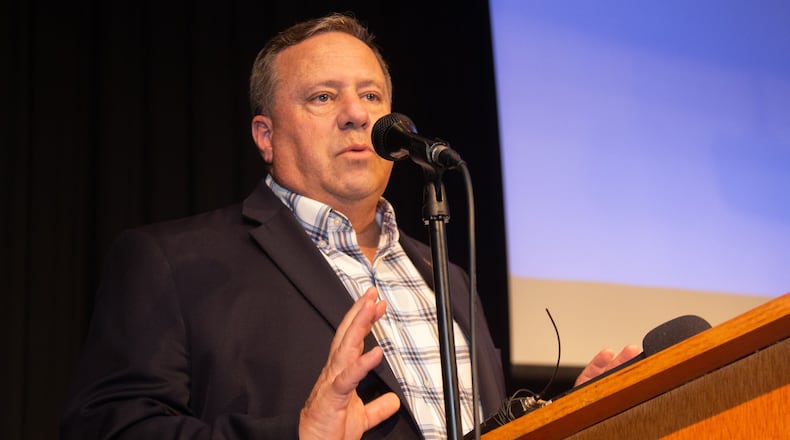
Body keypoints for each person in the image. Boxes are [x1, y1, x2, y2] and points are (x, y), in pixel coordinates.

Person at [62, 13, 638, 440]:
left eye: (370, 95)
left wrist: (563, 421)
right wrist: (299, 436)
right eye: (322, 96)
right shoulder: (170, 262)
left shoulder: (449, 277)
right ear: (265, 136)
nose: (358, 113)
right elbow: (106, 431)